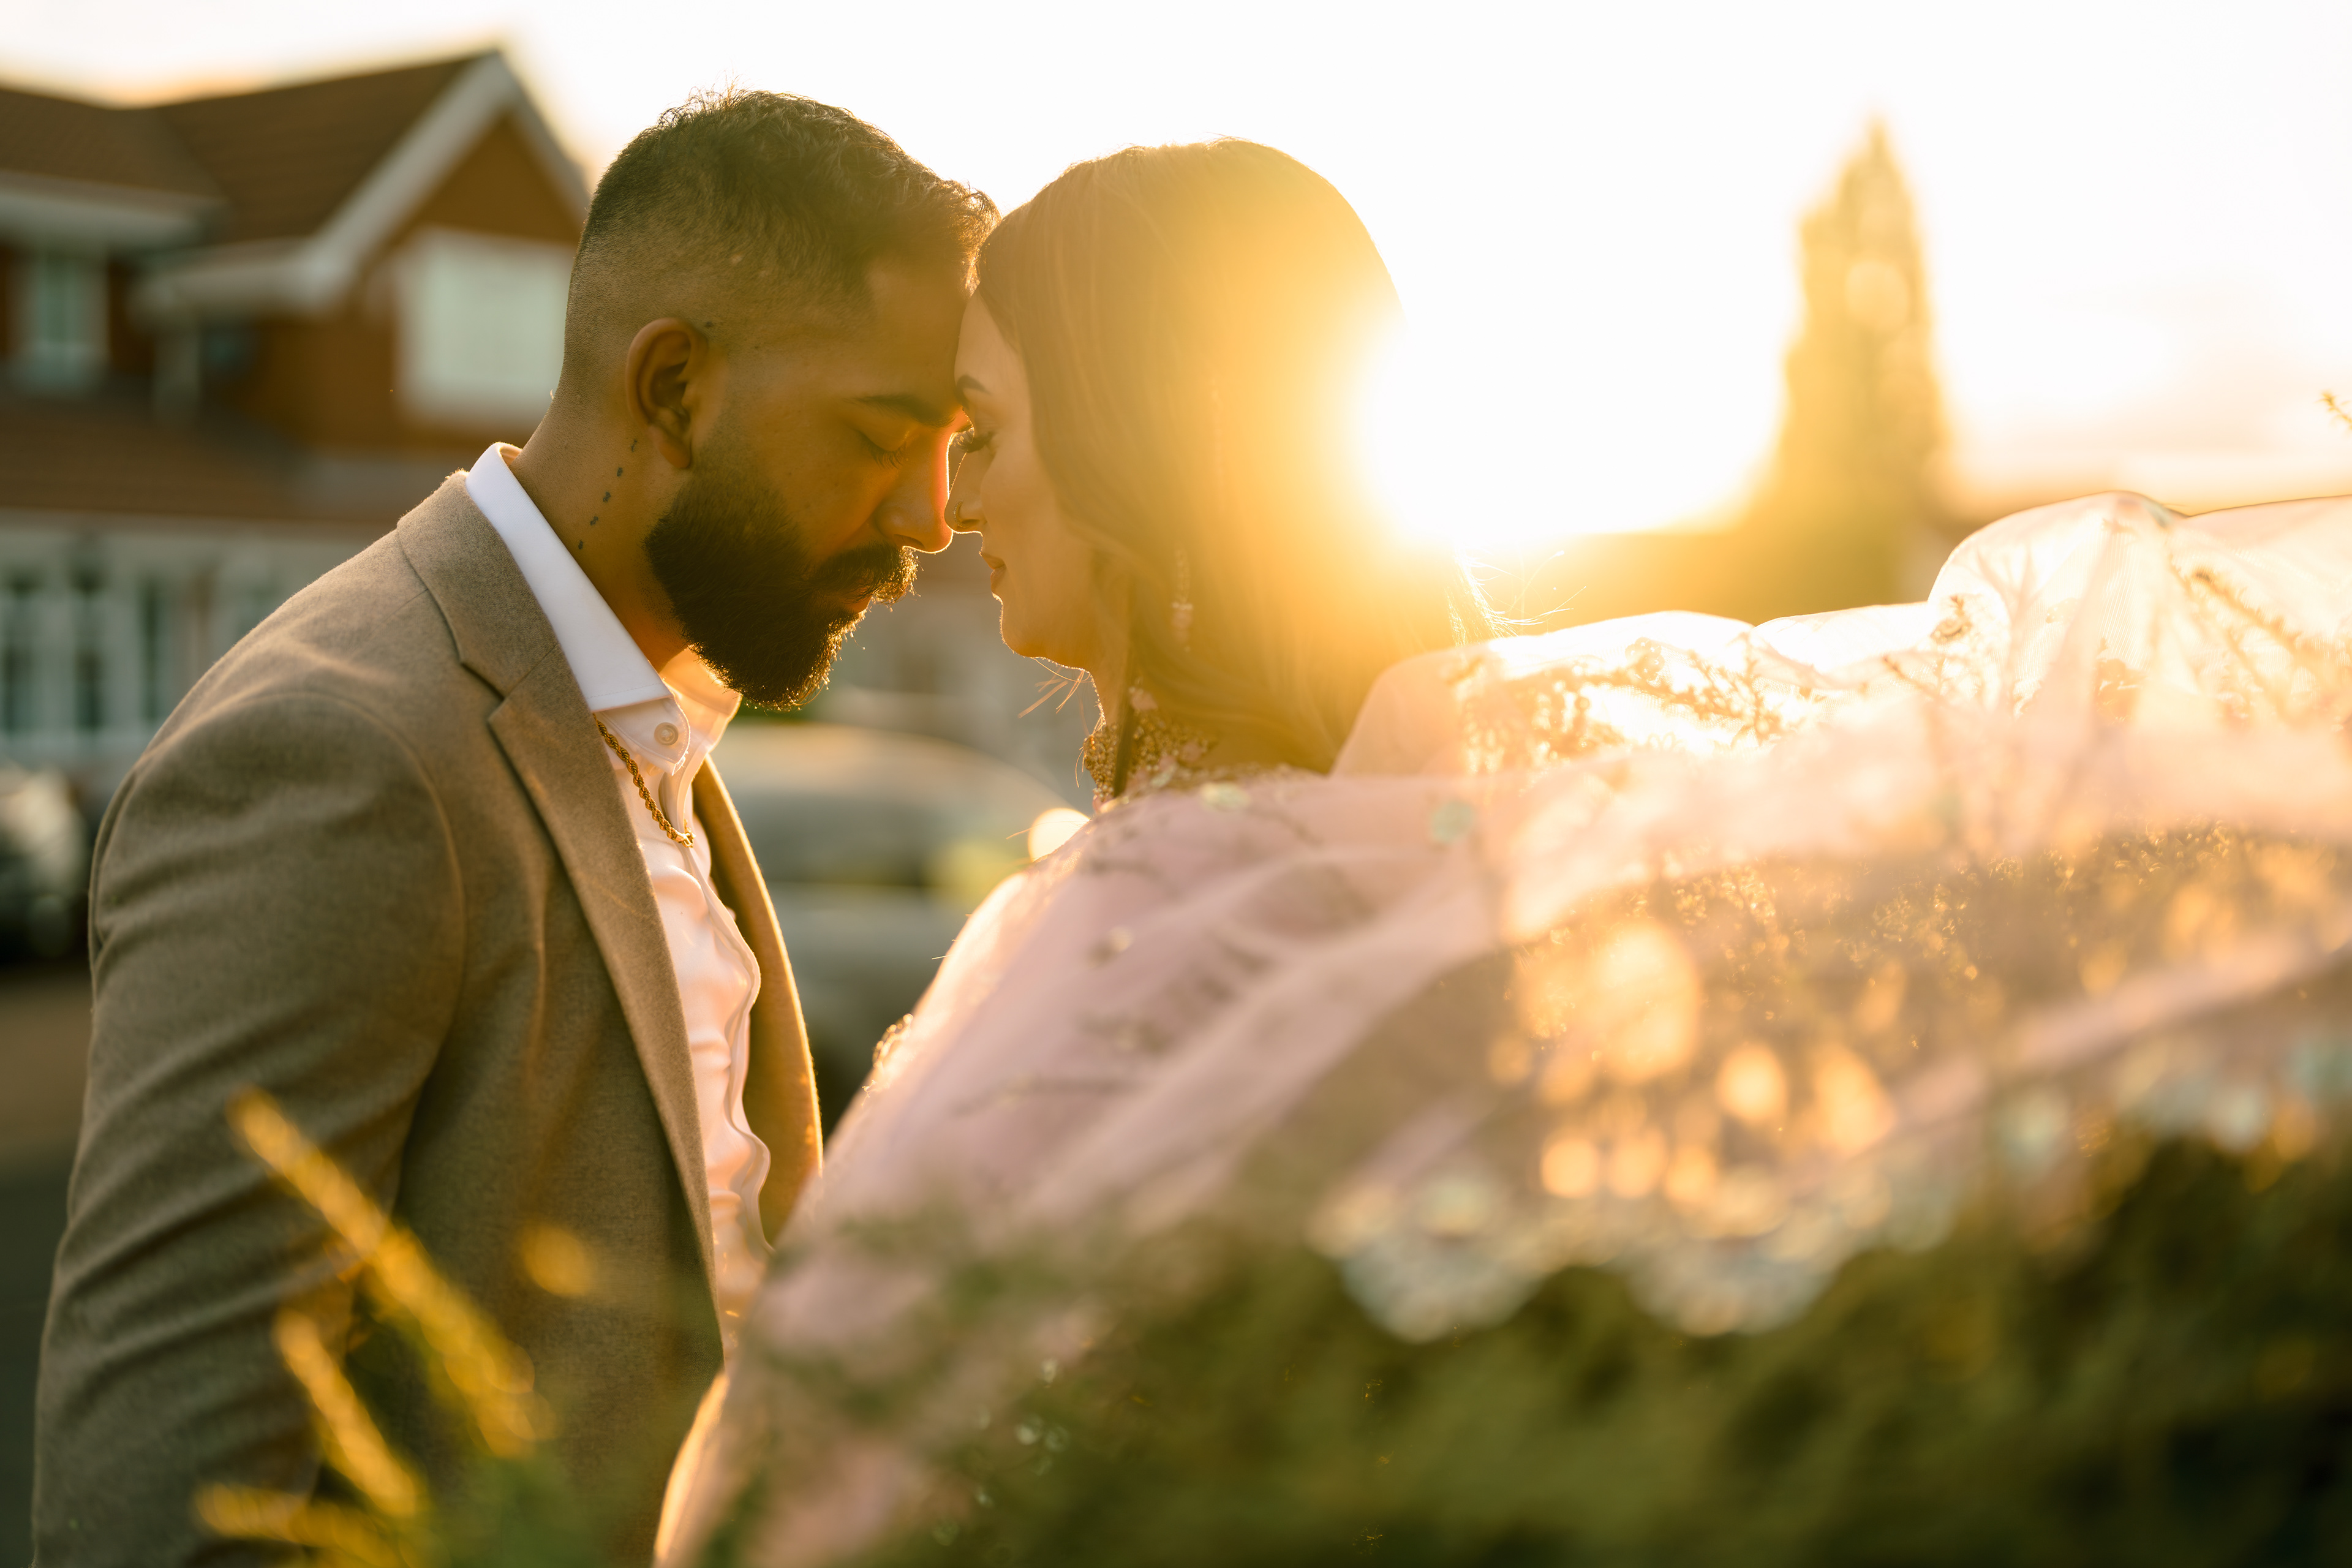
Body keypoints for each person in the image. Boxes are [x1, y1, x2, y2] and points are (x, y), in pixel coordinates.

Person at [656, 138, 2352, 1566]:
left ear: (1136, 467)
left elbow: (832, 1467)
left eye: (990, 433)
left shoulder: (1166, 909)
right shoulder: (1477, 854)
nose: (952, 507)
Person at [34, 90, 991, 1567]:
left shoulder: (648, 715)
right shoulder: (338, 751)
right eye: (883, 433)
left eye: (957, 444)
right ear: (672, 386)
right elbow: (165, 1492)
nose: (933, 517)